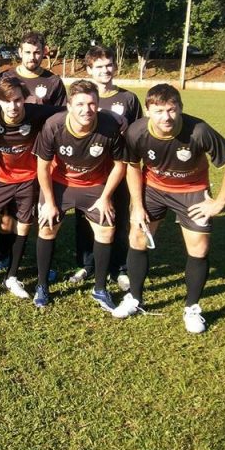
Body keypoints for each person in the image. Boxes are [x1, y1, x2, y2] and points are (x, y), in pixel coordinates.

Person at [113, 84, 225, 333]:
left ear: (181, 108)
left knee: (199, 248)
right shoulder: (136, 131)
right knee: (137, 238)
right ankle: (134, 298)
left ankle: (192, 308)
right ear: (148, 111)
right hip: (153, 189)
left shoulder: (199, 131)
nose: (166, 117)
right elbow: (133, 166)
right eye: (159, 111)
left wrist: (219, 203)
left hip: (191, 192)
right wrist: (137, 205)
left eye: (172, 110)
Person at [32, 79, 126, 309]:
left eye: (92, 104)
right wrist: (49, 202)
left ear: (98, 104)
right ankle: (42, 285)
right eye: (80, 104)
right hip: (60, 183)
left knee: (106, 229)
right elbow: (42, 167)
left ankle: (100, 289)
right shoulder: (54, 125)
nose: (87, 110)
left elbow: (120, 165)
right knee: (46, 226)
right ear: (69, 106)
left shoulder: (110, 126)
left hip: (94, 185)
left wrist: (105, 197)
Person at [0, 77, 62, 300]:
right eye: (7, 101)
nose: (13, 106)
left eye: (18, 100)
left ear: (25, 99)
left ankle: (11, 277)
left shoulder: (38, 113)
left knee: (23, 226)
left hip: (28, 180)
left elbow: (68, 112)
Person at [0, 32, 67, 278]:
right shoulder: (6, 76)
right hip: (8, 157)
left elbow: (61, 118)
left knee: (38, 212)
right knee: (7, 215)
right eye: (28, 52)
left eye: (37, 52)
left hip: (40, 158)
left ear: (44, 52)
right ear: (20, 52)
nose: (32, 57)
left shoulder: (53, 81)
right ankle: (4, 256)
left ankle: (44, 262)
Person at [70, 46, 142, 289]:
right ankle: (86, 264)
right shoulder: (83, 98)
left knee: (118, 218)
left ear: (115, 66)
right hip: (88, 171)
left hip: (118, 170)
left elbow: (138, 134)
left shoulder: (128, 98)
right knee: (84, 220)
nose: (105, 70)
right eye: (99, 66)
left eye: (109, 65)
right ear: (89, 69)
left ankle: (119, 268)